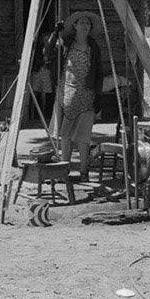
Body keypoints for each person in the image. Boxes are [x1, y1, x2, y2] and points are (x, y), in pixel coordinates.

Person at [46, 12, 103, 180]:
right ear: (75, 26)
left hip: (86, 95)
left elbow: (99, 72)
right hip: (66, 94)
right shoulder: (65, 44)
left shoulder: (93, 47)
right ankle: (64, 171)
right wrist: (55, 33)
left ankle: (84, 172)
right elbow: (48, 52)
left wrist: (98, 96)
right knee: (66, 135)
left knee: (84, 136)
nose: (85, 26)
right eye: (82, 23)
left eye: (87, 24)